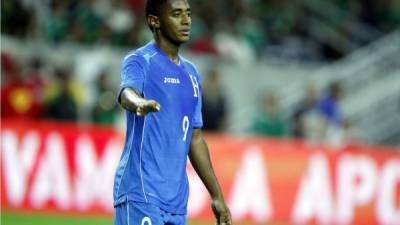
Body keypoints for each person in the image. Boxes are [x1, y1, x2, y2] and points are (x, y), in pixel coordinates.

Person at [113, 1, 232, 225]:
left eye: (188, 13)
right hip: (141, 192)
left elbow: (195, 139)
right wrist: (138, 102)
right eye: (176, 14)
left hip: (176, 203)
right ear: (154, 21)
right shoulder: (140, 60)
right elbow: (126, 92)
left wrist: (217, 196)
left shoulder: (192, 73)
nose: (186, 20)